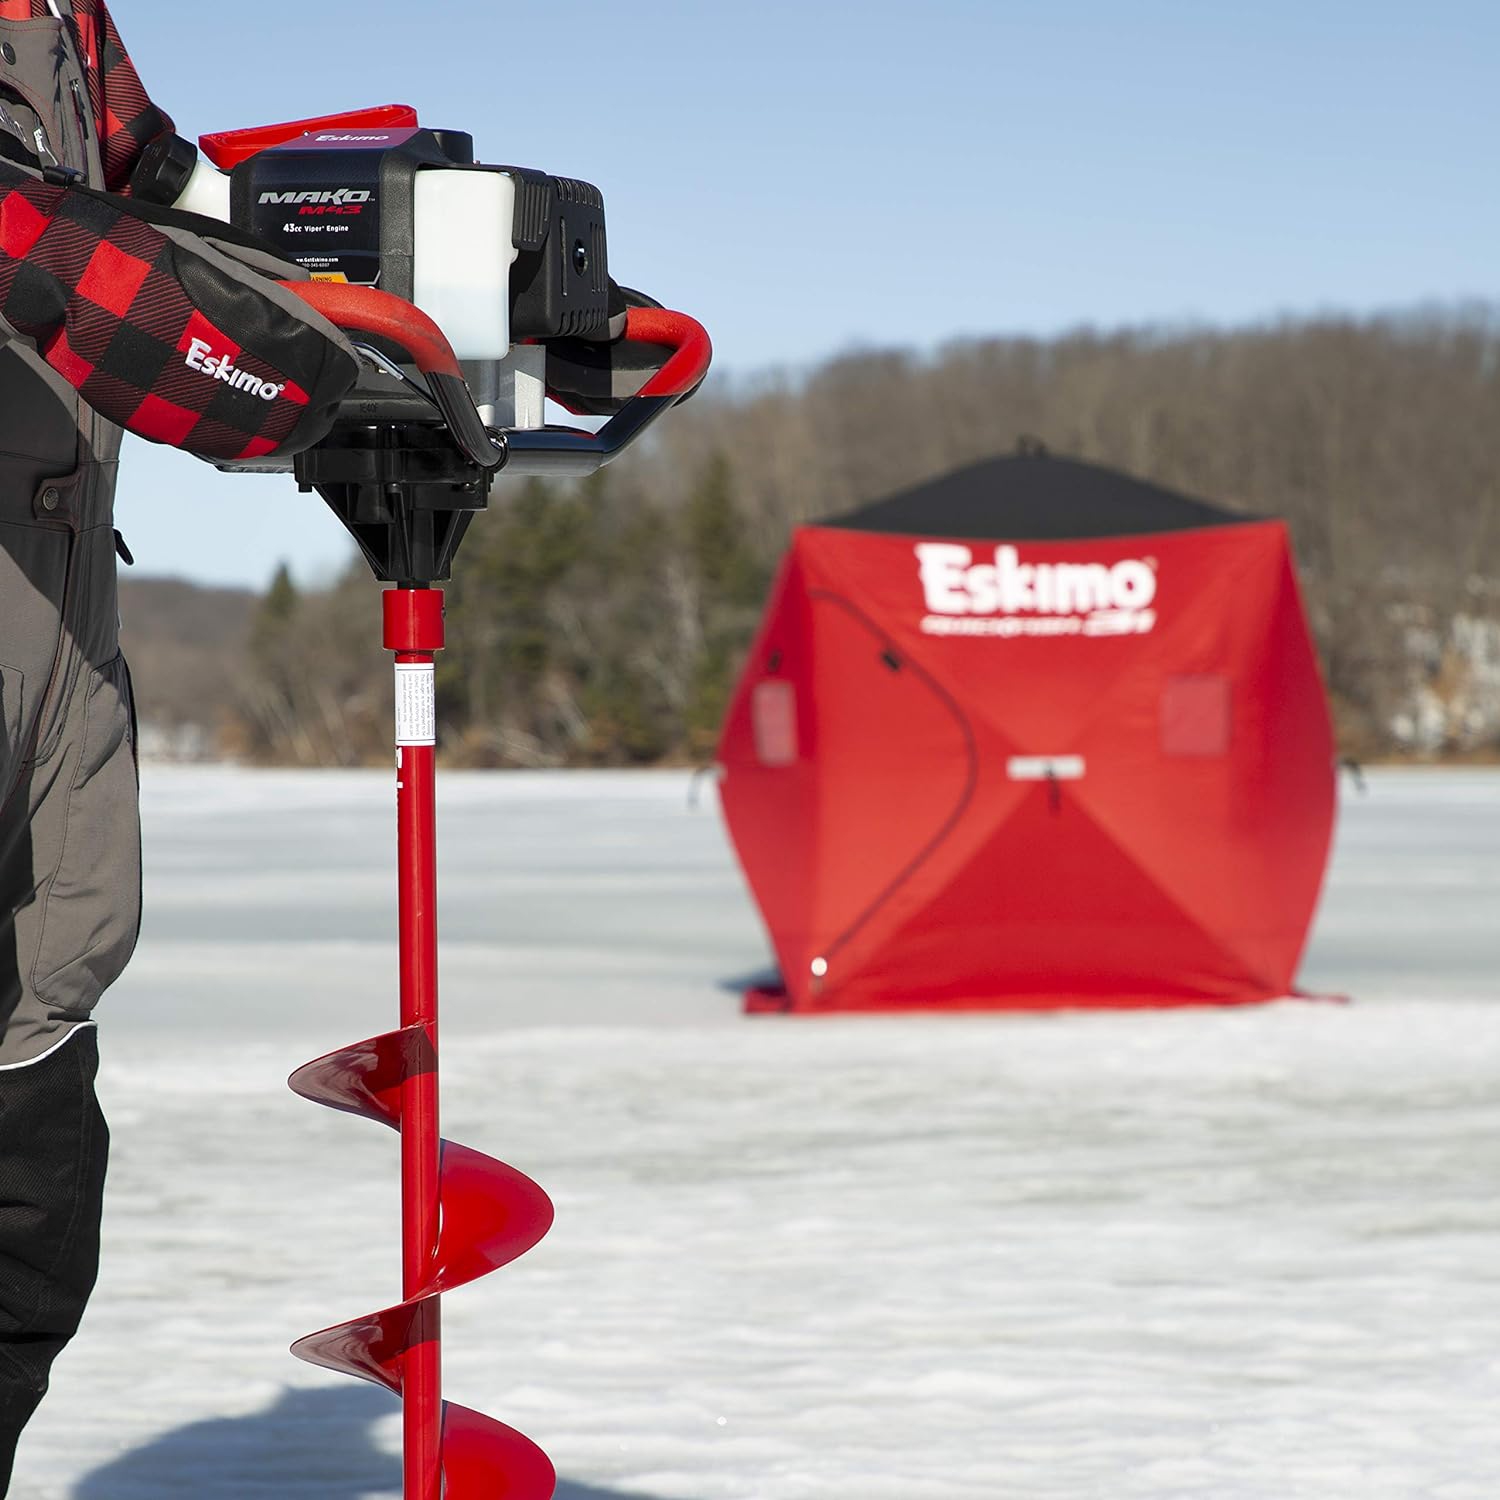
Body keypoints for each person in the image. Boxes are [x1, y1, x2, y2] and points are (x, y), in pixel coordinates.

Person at [0, 3, 358, 1488]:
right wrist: (237, 348)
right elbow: (68, 253)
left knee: (28, 1241)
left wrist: (375, 272)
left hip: (54, 661)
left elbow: (160, 183)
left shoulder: (63, 13)